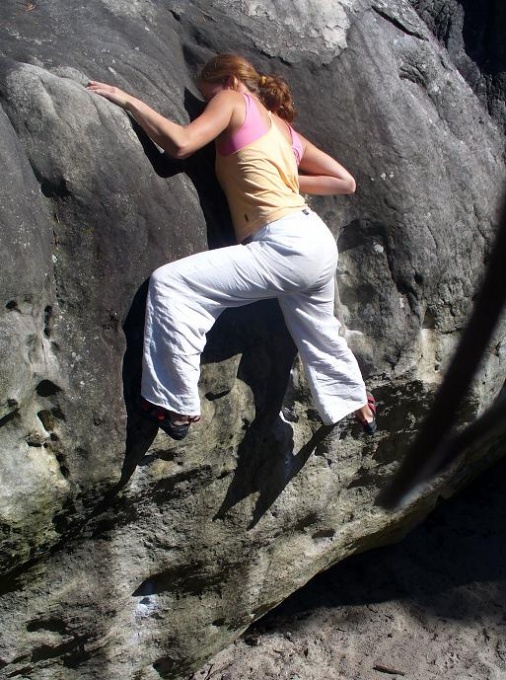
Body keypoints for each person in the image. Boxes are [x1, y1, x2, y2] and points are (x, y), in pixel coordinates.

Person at [87, 53, 377, 440]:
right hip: (315, 240)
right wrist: (287, 179)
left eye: (209, 97)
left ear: (229, 82)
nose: (211, 106)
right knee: (319, 330)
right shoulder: (284, 129)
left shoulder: (233, 99)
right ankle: (356, 402)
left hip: (285, 241)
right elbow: (344, 181)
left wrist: (127, 100)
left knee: (173, 285)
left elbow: (181, 144)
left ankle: (176, 405)